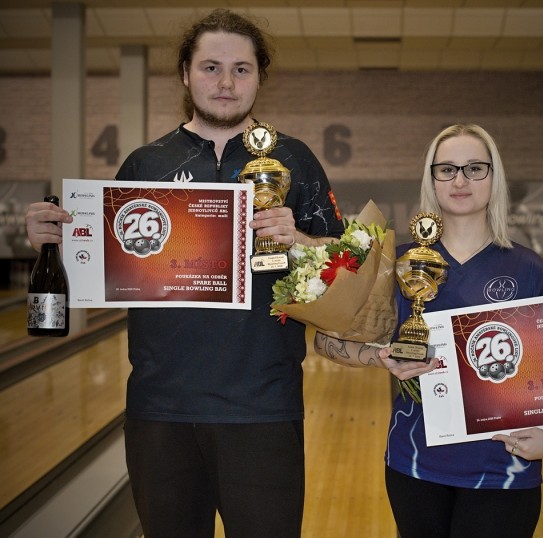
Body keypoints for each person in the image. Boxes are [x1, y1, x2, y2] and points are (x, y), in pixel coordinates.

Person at [25, 9, 343, 538]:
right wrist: (50, 241)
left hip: (262, 407)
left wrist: (302, 241)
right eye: (211, 67)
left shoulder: (294, 160)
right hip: (160, 410)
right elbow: (97, 265)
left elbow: (344, 267)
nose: (225, 82)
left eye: (241, 69)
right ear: (185, 74)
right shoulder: (144, 165)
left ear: (260, 77)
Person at [314, 123, 543, 537]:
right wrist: (381, 358)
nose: (460, 180)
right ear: (431, 178)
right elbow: (326, 340)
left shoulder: (529, 271)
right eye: (447, 169)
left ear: (494, 176)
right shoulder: (397, 264)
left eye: (475, 168)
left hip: (504, 470)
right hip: (415, 465)